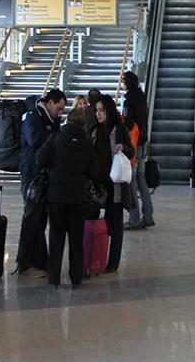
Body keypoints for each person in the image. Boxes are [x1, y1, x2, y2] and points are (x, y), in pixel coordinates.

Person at [36, 107, 98, 288]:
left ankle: (54, 278)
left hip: (56, 195)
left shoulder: (56, 137)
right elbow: (94, 170)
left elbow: (40, 158)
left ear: (68, 120)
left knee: (56, 237)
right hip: (78, 196)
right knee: (76, 239)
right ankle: (76, 278)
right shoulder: (87, 143)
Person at [15, 88, 66, 276]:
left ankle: (39, 260)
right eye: (59, 108)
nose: (60, 112)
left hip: (44, 175)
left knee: (40, 219)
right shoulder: (33, 116)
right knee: (31, 218)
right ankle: (23, 261)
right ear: (50, 102)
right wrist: (54, 136)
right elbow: (36, 140)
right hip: (31, 175)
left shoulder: (50, 119)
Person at [90, 95, 134, 273]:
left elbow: (131, 151)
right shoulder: (94, 130)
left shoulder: (119, 128)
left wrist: (123, 148)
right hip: (97, 187)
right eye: (97, 110)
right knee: (98, 224)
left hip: (114, 185)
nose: (99, 114)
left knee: (115, 225)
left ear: (108, 110)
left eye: (101, 110)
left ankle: (113, 262)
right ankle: (97, 258)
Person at [122, 71, 154, 231]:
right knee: (142, 180)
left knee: (131, 181)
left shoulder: (129, 100)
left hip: (133, 144)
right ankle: (148, 216)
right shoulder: (141, 97)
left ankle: (134, 219)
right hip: (143, 142)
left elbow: (129, 124)